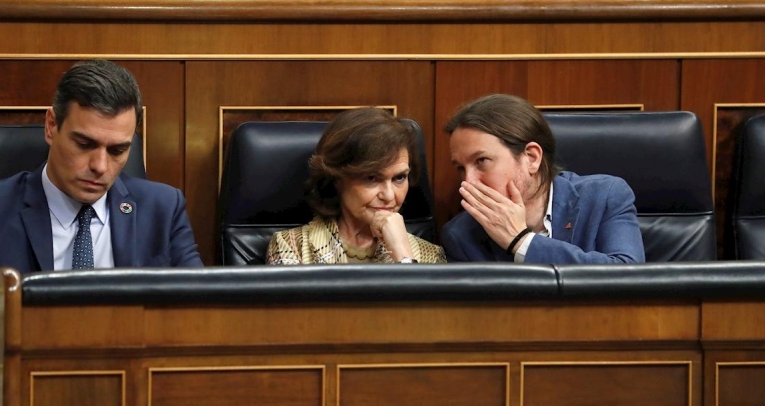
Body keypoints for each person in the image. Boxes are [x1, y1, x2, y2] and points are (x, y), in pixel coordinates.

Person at [0, 59, 203, 384]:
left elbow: (200, 320)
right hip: (22, 398)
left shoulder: (163, 208)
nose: (100, 166)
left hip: (137, 399)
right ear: (51, 126)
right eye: (85, 144)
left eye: (118, 150)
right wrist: (51, 349)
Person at [441, 93, 645, 264]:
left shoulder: (604, 197)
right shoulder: (461, 235)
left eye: (481, 161)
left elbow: (628, 276)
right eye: (460, 168)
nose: (468, 183)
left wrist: (522, 242)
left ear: (531, 158)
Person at [266, 108, 446, 264]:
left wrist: (404, 258)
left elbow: (422, 306)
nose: (390, 196)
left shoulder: (429, 255)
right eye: (371, 178)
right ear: (337, 179)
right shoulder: (292, 246)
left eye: (399, 178)